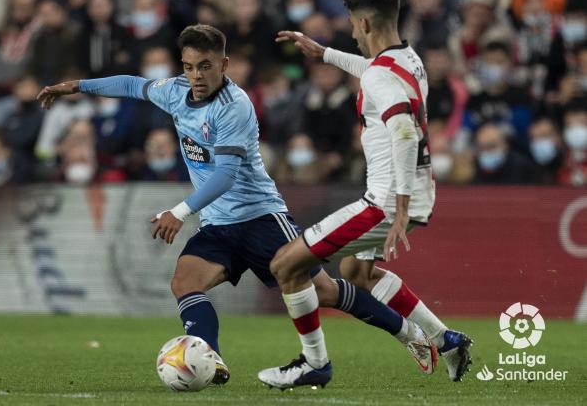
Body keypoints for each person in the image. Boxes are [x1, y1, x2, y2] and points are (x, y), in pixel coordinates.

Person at [38, 24, 435, 386]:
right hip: (218, 224)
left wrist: (178, 212)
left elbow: (225, 175)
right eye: (190, 66)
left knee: (325, 291)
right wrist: (74, 86)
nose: (196, 76)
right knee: (185, 282)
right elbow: (130, 84)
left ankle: (411, 335)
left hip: (261, 217)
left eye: (206, 66)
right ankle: (211, 359)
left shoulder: (235, 106)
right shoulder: (175, 92)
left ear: (224, 64)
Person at [264, 0, 473, 389]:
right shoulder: (406, 59)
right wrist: (322, 52)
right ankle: (445, 339)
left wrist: (396, 210)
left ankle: (314, 363)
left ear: (363, 22)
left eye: (352, 26)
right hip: (417, 191)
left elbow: (404, 133)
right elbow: (375, 72)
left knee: (286, 265)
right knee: (355, 270)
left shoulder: (381, 77)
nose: (353, 34)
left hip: (384, 201)